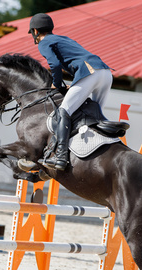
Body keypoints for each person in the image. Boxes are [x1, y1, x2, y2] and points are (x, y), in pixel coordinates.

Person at [28, 13, 113, 171]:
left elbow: (54, 64)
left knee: (63, 111)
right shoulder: (63, 38)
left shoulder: (44, 42)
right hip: (105, 72)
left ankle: (60, 157)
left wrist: (57, 84)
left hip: (89, 73)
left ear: (35, 31)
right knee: (95, 114)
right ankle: (104, 145)